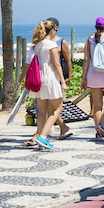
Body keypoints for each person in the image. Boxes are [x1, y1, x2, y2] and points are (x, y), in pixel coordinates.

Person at [27, 20, 68, 150]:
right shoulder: (51, 44)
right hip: (50, 79)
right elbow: (56, 65)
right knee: (57, 109)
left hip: (39, 80)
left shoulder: (36, 45)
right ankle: (43, 136)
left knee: (42, 111)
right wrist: (62, 82)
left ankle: (40, 134)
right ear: (52, 31)